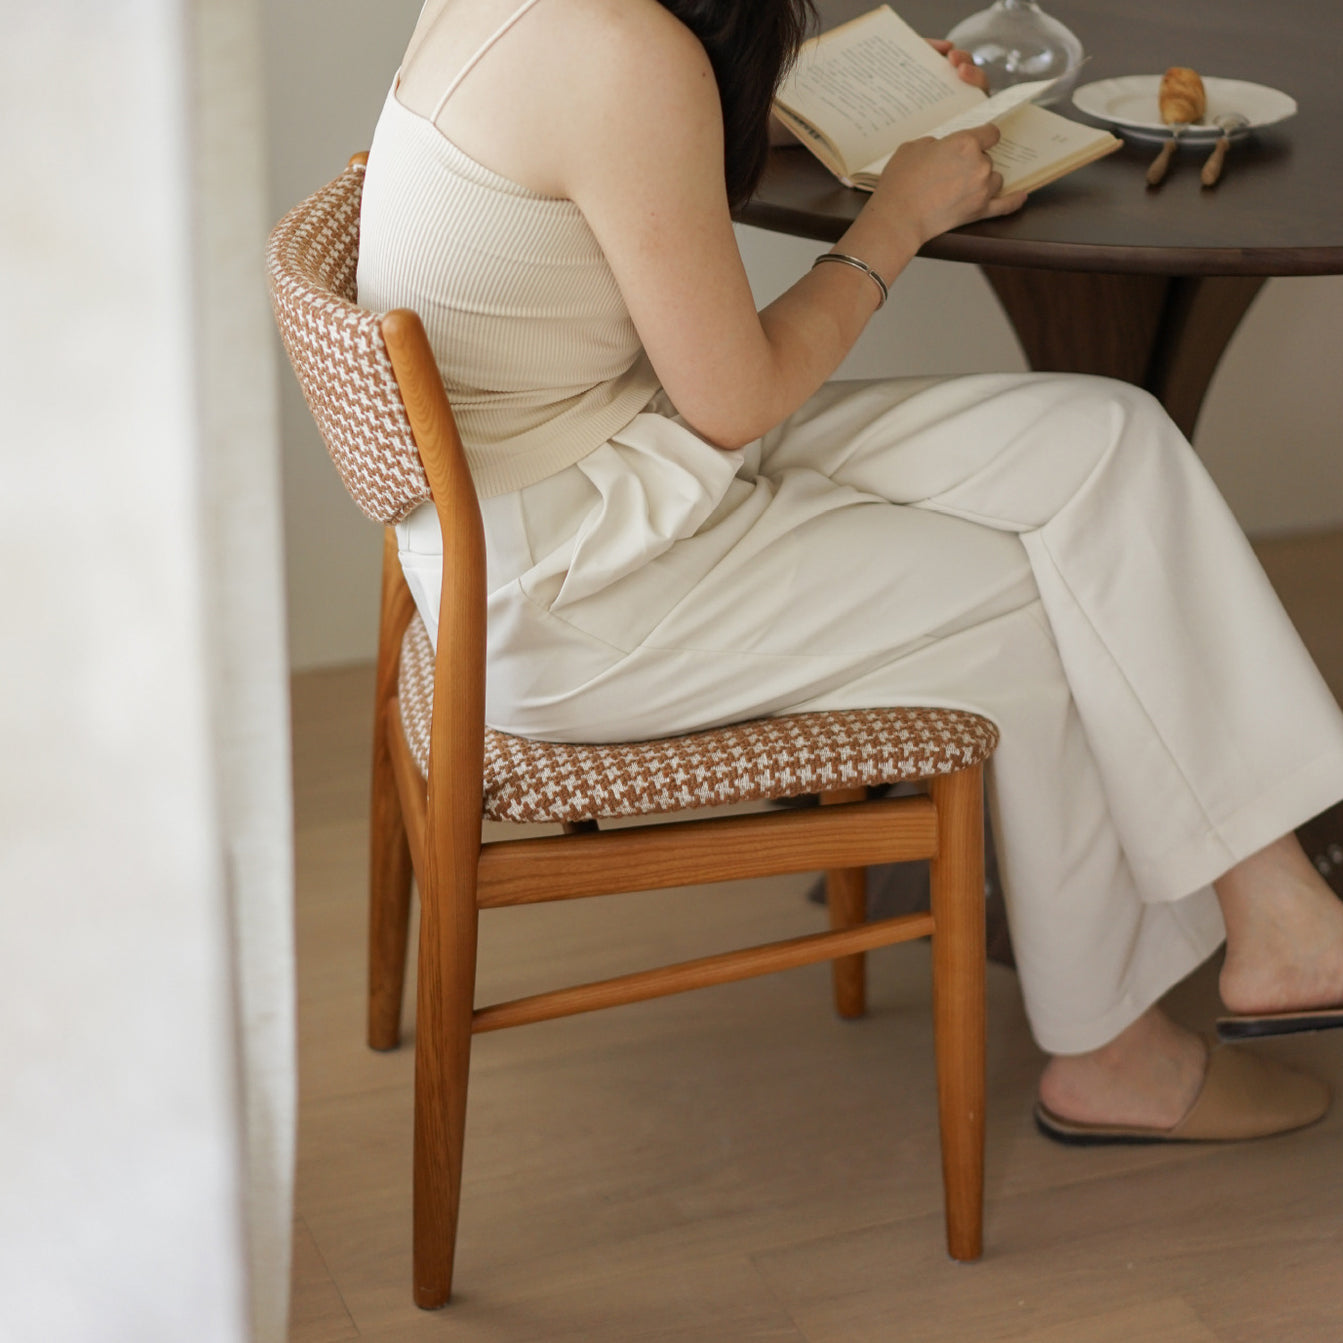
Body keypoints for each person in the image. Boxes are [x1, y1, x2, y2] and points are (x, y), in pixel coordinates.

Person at [357, 0, 1343, 1143]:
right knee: (1033, 596)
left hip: (611, 466)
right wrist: (898, 217)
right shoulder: (625, 52)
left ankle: (1276, 909)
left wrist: (787, 116)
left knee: (1101, 443)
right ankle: (1111, 1055)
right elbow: (739, 397)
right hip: (584, 586)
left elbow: (580, 164)